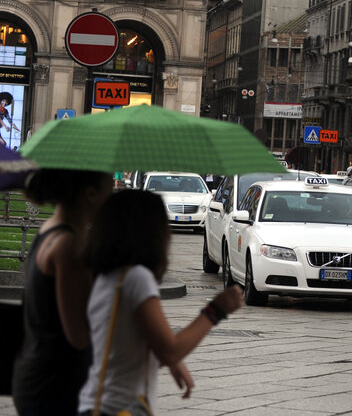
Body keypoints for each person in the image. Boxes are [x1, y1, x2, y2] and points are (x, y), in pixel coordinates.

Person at [77, 190, 243, 415]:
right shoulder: (136, 278)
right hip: (120, 406)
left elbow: (129, 339)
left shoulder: (105, 276)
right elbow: (170, 350)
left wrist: (169, 361)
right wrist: (217, 309)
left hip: (97, 402)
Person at [13, 169, 113, 416]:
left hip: (40, 377)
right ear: (90, 194)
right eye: (109, 189)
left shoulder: (51, 229)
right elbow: (79, 335)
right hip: (55, 387)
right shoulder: (68, 246)